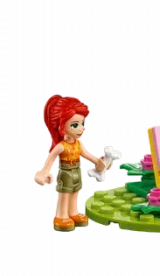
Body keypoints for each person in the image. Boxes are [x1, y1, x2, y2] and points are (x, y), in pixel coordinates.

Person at [33, 94, 109, 232]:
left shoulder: (79, 144)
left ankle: (73, 212)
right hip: (65, 173)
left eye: (83, 123)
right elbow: (50, 160)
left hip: (77, 172)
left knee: (75, 192)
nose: (82, 128)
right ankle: (61, 216)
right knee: (64, 194)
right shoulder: (61, 146)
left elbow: (88, 156)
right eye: (75, 125)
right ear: (62, 127)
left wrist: (99, 163)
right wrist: (45, 172)